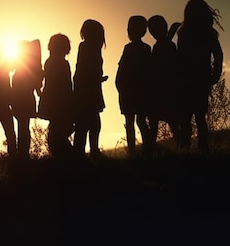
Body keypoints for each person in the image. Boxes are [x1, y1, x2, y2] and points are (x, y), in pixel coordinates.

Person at [177, 0, 224, 152]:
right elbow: (218, 54)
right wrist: (215, 74)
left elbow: (217, 55)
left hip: (191, 78)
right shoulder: (205, 33)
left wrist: (216, 74)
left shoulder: (185, 32)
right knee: (197, 116)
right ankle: (198, 148)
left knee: (189, 116)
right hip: (197, 78)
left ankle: (189, 147)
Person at [116, 16, 153, 156]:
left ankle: (137, 151)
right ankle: (143, 149)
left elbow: (123, 68)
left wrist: (121, 86)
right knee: (138, 121)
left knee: (134, 122)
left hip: (134, 91)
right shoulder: (144, 48)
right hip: (133, 91)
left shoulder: (132, 49)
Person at [73, 19, 108, 157]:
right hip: (87, 88)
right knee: (88, 122)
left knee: (89, 122)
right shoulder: (87, 47)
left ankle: (85, 151)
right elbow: (84, 69)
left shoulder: (89, 47)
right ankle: (86, 151)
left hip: (89, 87)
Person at [38, 33, 74, 158]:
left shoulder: (52, 62)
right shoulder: (61, 63)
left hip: (56, 102)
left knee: (56, 135)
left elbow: (60, 84)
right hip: (60, 102)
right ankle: (68, 159)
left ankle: (67, 159)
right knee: (57, 134)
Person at [147, 15, 181, 147]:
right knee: (161, 120)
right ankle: (153, 146)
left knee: (166, 119)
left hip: (165, 89)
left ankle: (153, 147)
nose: (154, 33)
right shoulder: (164, 45)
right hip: (162, 89)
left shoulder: (165, 45)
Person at [11, 39, 43, 160]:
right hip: (25, 100)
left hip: (21, 100)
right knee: (24, 128)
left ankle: (22, 155)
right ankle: (23, 155)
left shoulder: (22, 69)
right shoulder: (29, 68)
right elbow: (37, 86)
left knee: (22, 128)